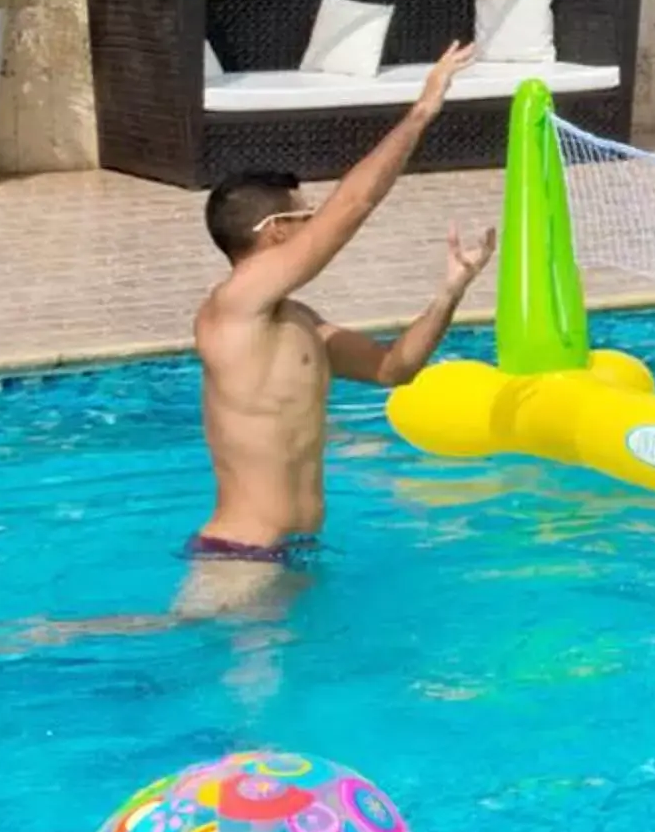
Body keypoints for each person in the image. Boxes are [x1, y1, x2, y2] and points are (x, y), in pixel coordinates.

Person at [184, 41, 494, 614]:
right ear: (274, 229)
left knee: (282, 694)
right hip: (243, 554)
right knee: (188, 663)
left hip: (298, 552)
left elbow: (394, 369)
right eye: (305, 216)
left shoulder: (299, 325)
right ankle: (44, 640)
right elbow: (353, 205)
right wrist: (422, 111)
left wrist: (450, 292)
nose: (315, 223)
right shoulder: (230, 309)